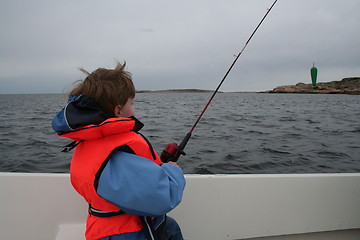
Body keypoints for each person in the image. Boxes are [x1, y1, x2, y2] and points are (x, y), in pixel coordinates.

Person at [52, 62, 186, 240]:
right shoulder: (118, 152)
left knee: (170, 226)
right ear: (117, 110)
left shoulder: (88, 141)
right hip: (127, 233)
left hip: (102, 227)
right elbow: (162, 198)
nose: (134, 109)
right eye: (131, 103)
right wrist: (173, 170)